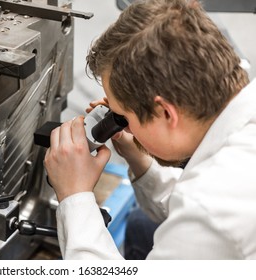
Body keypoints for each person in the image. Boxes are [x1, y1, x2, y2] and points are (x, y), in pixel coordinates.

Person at [44, 0, 256, 259]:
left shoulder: (209, 211)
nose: (118, 122)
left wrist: (74, 195)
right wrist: (139, 155)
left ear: (166, 113)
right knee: (142, 224)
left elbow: (202, 212)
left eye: (123, 117)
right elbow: (190, 204)